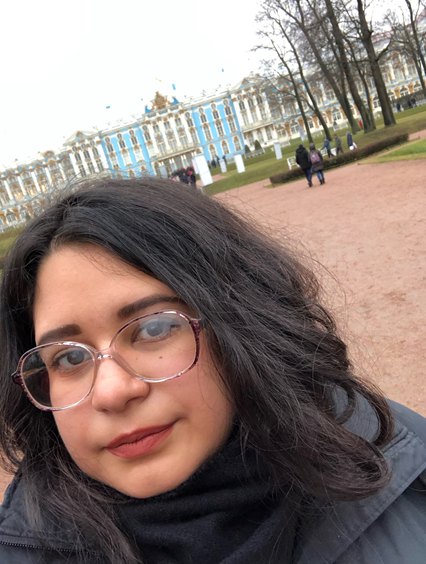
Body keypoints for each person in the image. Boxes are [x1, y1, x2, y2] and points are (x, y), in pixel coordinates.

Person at [1, 178, 426, 564]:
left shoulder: (406, 467)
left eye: (154, 328)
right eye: (69, 358)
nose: (111, 392)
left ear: (240, 323)